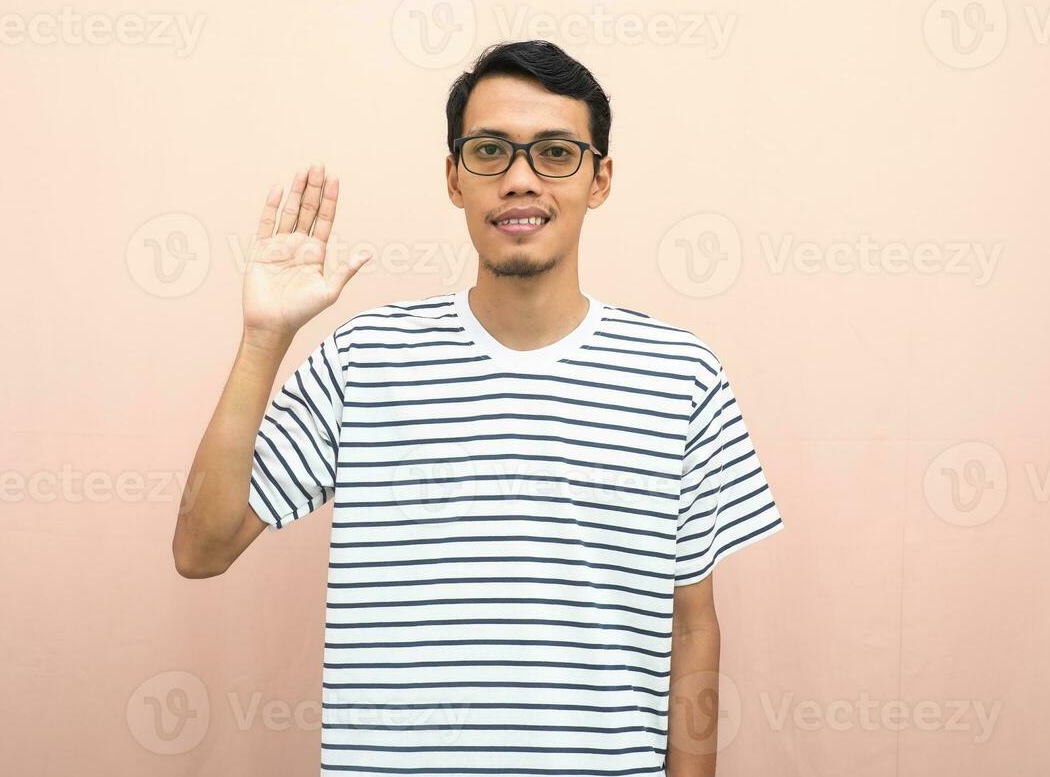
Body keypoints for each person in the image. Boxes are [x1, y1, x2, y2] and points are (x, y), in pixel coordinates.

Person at [172, 40, 784, 776]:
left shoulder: (683, 377)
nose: (521, 180)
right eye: (491, 151)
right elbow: (200, 551)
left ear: (601, 179)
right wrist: (263, 340)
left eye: (556, 153)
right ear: (455, 180)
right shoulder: (365, 360)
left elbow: (693, 629)